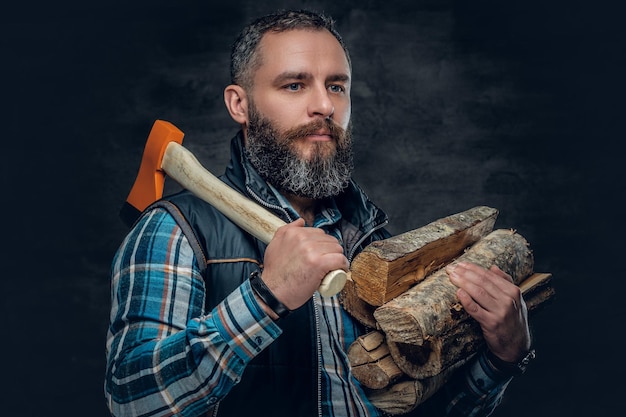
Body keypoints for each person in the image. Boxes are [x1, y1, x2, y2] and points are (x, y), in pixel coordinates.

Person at [105, 9, 534, 417]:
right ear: (239, 104)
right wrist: (265, 298)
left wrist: (501, 361)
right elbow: (134, 400)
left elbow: (418, 405)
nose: (324, 106)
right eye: (294, 85)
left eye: (336, 86)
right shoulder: (176, 230)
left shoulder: (374, 245)